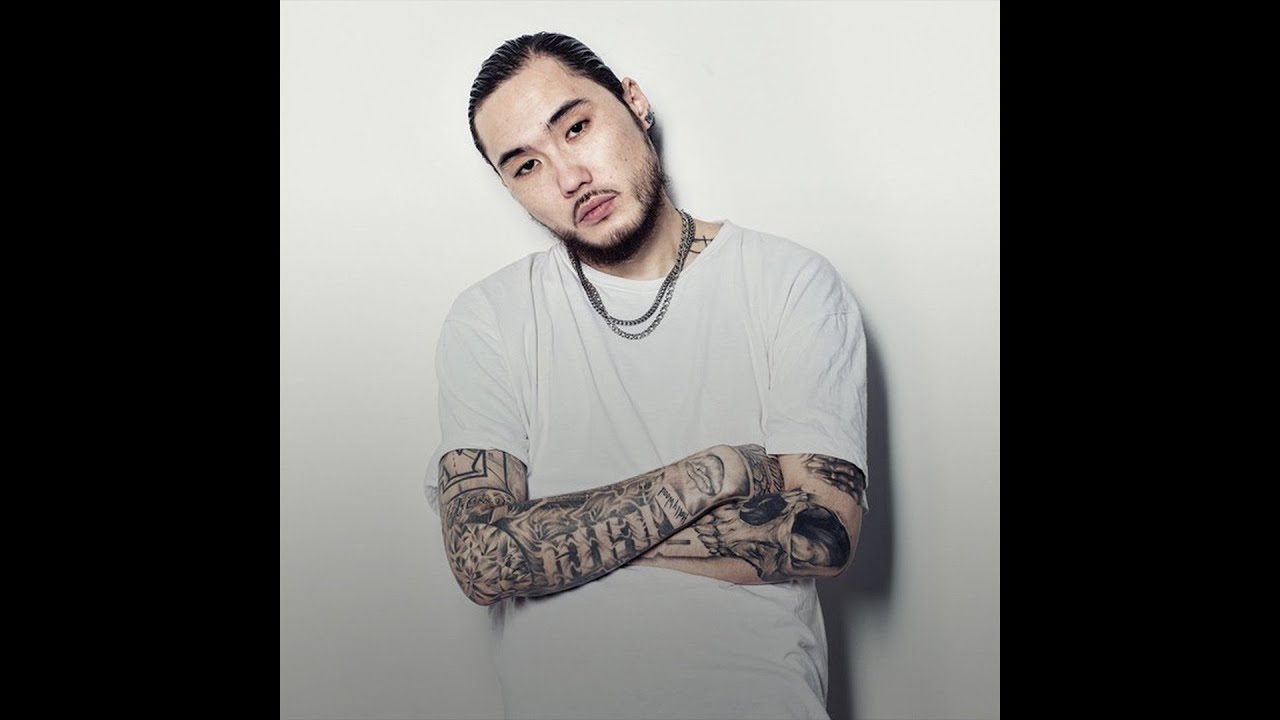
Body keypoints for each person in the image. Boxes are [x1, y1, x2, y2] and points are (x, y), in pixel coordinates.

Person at [424, 31, 869, 720]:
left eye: (576, 127)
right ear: (511, 191)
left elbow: (821, 533)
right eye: (528, 166)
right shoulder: (490, 318)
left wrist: (549, 545)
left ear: (633, 102)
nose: (569, 177)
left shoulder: (789, 282)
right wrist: (715, 471)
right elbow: (483, 562)